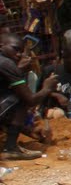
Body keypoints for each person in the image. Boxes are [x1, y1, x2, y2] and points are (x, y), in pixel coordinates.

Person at [0, 31, 60, 160]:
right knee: (21, 98)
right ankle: (10, 148)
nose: (19, 54)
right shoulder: (6, 63)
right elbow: (30, 99)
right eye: (15, 49)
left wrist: (28, 131)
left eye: (21, 51)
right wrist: (47, 88)